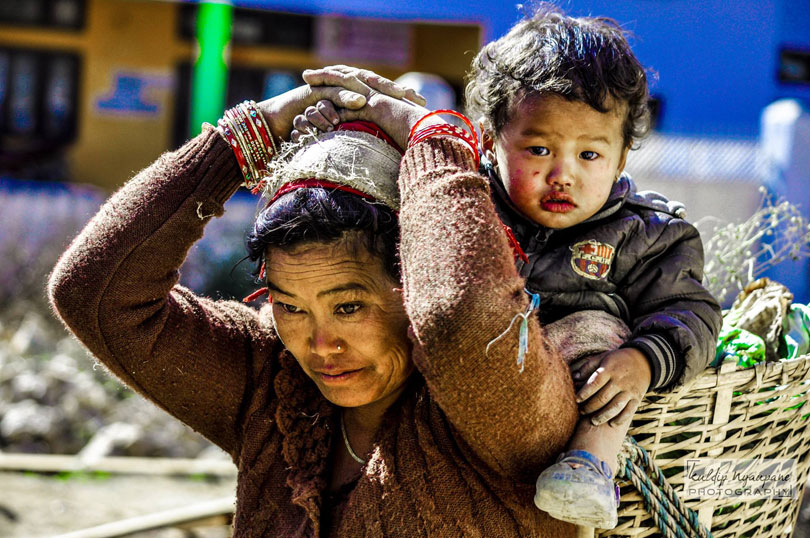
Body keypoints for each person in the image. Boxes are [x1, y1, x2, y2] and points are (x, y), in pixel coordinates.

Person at [48, 76, 630, 536]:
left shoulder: (501, 392)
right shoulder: (269, 384)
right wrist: (244, 138)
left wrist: (434, 142)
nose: (319, 345)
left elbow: (460, 314)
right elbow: (94, 292)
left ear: (414, 284)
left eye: (349, 307)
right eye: (290, 307)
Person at [298, 3, 722, 530]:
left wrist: (643, 358)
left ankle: (591, 462)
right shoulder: (466, 197)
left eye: (589, 155)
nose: (562, 174)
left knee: (602, 329)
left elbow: (691, 311)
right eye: (539, 148)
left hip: (571, 394)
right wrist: (352, 124)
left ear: (622, 157)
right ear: (491, 141)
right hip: (463, 382)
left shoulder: (648, 235)